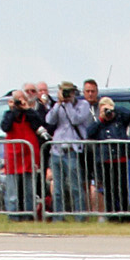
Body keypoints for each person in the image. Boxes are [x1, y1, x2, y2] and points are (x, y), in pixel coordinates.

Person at [46, 81, 93, 221]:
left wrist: (68, 103)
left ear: (74, 92)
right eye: (64, 91)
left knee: (75, 187)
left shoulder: (83, 105)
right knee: (58, 188)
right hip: (57, 150)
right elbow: (49, 120)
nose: (67, 94)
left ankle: (80, 217)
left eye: (69, 92)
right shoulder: (58, 105)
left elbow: (75, 119)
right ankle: (58, 218)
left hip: (72, 150)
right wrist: (58, 104)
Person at [0, 89, 44, 221]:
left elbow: (38, 123)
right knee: (12, 191)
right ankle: (13, 216)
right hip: (13, 155)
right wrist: (13, 110)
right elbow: (5, 127)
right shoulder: (8, 114)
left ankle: (29, 216)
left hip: (29, 155)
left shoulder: (31, 114)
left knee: (29, 190)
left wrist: (27, 109)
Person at [87, 95, 130, 215]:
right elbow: (89, 133)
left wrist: (113, 108)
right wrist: (101, 119)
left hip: (120, 160)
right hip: (106, 161)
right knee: (109, 190)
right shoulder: (99, 124)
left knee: (122, 189)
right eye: (103, 109)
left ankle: (124, 214)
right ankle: (111, 214)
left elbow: (128, 113)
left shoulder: (120, 120)